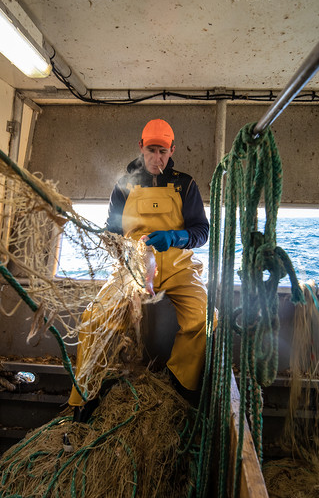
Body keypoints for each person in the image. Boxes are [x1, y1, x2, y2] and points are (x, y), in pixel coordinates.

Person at [68, 119, 209, 419]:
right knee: (93, 318)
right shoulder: (124, 184)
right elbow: (112, 231)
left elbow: (201, 231)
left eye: (162, 152)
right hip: (132, 266)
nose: (156, 159)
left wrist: (175, 237)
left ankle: (180, 385)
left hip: (178, 264)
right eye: (150, 150)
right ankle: (86, 396)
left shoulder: (186, 184)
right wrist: (119, 245)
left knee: (201, 319)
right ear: (141, 147)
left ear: (172, 150)